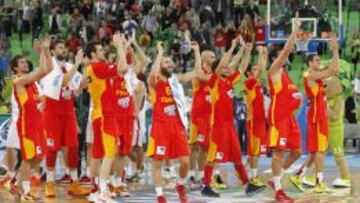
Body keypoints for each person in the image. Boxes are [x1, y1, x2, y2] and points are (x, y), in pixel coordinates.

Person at [200, 38, 265, 198]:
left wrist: (247, 51)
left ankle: (247, 185)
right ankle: (205, 185)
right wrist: (233, 47)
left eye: (228, 68)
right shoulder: (214, 82)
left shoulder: (229, 82)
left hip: (230, 126)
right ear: (219, 70)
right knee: (212, 157)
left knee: (237, 157)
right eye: (225, 68)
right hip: (218, 127)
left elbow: (242, 68)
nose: (228, 69)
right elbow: (222, 64)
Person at [146, 41, 201, 203]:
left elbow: (197, 73)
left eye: (171, 62)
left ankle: (180, 184)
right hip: (160, 127)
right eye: (166, 62)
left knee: (185, 161)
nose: (170, 64)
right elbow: (152, 74)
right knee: (158, 162)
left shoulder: (176, 80)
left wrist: (196, 51)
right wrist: (160, 54)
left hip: (177, 125)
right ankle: (160, 195)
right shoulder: (155, 83)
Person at [290, 33, 340, 193]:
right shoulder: (311, 74)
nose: (319, 62)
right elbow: (332, 70)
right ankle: (319, 182)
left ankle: (299, 175)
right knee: (320, 150)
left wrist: (335, 51)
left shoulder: (316, 77)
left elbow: (335, 69)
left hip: (319, 115)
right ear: (310, 63)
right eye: (317, 60)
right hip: (317, 116)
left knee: (314, 152)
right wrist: (335, 50)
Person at [42, 40, 90, 197]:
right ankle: (49, 183)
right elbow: (63, 81)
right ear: (53, 51)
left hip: (68, 112)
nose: (64, 50)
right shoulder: (49, 67)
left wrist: (86, 66)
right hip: (52, 113)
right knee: (53, 148)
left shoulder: (70, 66)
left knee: (74, 147)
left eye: (64, 47)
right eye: (60, 47)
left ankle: (74, 184)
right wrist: (76, 65)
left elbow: (81, 86)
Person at [85, 33, 127, 202]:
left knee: (98, 154)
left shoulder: (94, 69)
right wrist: (120, 47)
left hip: (99, 114)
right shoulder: (97, 67)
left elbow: (117, 68)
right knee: (110, 154)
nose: (103, 52)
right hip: (104, 115)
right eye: (100, 50)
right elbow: (122, 68)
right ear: (93, 54)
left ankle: (95, 189)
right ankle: (103, 191)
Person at [266, 14, 303, 202]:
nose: (286, 58)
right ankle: (278, 190)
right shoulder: (273, 71)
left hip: (289, 118)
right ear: (276, 58)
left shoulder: (287, 77)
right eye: (281, 56)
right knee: (279, 153)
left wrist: (297, 98)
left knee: (297, 151)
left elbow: (295, 97)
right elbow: (287, 50)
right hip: (278, 117)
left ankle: (275, 179)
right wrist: (295, 30)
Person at [12, 38, 53, 201]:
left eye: (24, 62)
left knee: (40, 156)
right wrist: (42, 51)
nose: (24, 64)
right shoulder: (19, 81)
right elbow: (41, 71)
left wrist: (46, 50)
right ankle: (25, 192)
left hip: (38, 124)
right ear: (15, 67)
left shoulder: (33, 83)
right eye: (21, 63)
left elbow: (48, 69)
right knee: (28, 158)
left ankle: (16, 180)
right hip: (27, 124)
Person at [188, 48, 216, 189]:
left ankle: (199, 176)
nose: (214, 58)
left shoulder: (213, 74)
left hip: (209, 115)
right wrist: (197, 51)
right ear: (205, 59)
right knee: (193, 146)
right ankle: (191, 176)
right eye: (212, 56)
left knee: (205, 147)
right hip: (197, 115)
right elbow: (199, 73)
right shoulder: (199, 73)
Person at [243, 46, 268, 187]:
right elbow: (261, 70)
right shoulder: (249, 83)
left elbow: (261, 70)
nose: (255, 71)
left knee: (255, 151)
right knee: (254, 152)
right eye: (252, 70)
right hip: (253, 122)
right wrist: (260, 54)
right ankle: (253, 177)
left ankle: (247, 170)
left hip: (259, 121)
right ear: (248, 73)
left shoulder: (256, 85)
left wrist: (264, 55)